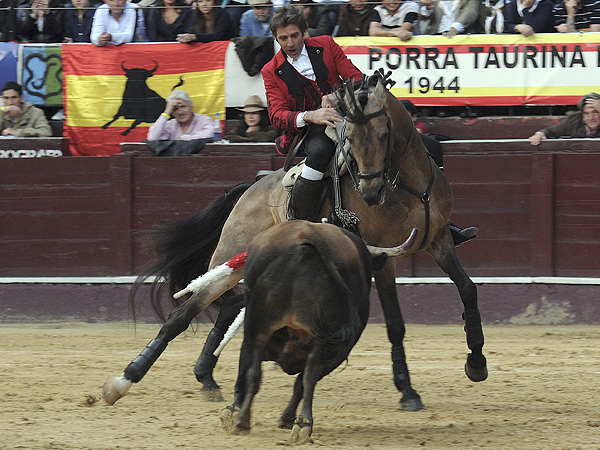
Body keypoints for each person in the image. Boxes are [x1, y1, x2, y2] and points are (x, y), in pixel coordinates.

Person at [262, 4, 362, 220]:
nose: (290, 43)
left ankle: (439, 217)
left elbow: (357, 78)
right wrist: (310, 115)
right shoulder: (270, 70)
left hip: (346, 113)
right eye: (283, 38)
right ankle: (297, 218)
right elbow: (277, 116)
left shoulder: (326, 44)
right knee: (319, 152)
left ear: (304, 32)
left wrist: (339, 96)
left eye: (295, 36)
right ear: (276, 39)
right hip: (309, 130)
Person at [528, 92, 600, 145]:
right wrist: (540, 134)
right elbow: (551, 131)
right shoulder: (574, 119)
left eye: (595, 112)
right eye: (586, 113)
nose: (591, 117)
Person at [147, 89, 215, 140]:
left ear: (191, 107)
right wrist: (166, 112)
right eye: (175, 109)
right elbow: (152, 138)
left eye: (183, 106)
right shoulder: (170, 125)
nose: (180, 112)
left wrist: (182, 139)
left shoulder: (204, 120)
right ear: (172, 113)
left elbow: (210, 134)